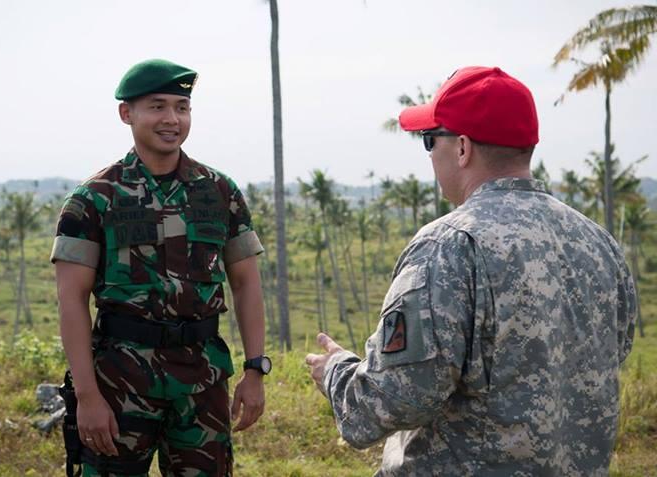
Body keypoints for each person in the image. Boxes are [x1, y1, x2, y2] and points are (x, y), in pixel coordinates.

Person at [306, 66, 637, 476]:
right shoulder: (598, 243)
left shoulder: (449, 246)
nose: (430, 154)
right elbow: (610, 355)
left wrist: (336, 371)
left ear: (462, 148)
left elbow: (391, 401)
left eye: (430, 140)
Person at [51, 58, 272, 477]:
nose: (172, 119)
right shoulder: (94, 199)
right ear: (127, 113)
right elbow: (71, 301)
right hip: (120, 384)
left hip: (202, 384)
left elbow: (246, 283)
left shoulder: (219, 191)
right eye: (157, 106)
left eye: (181, 107)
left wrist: (255, 369)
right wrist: (87, 397)